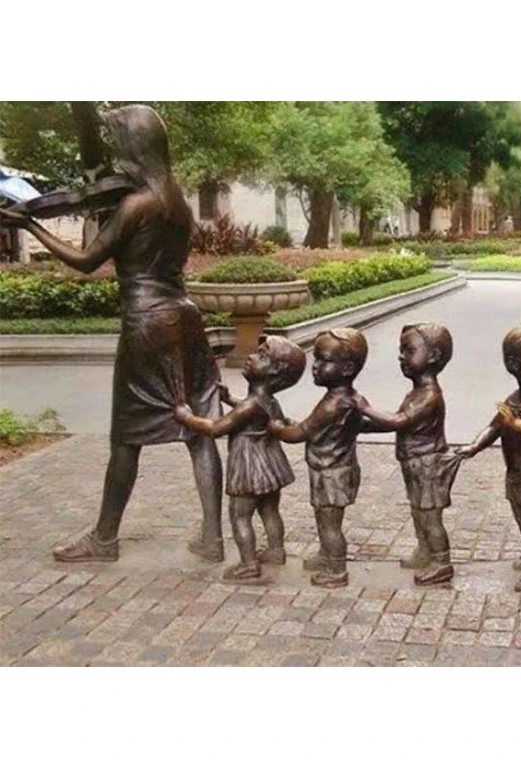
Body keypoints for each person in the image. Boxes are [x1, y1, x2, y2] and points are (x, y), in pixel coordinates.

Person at [1, 105, 225, 564]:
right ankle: (214, 537)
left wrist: (31, 224)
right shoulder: (176, 201)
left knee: (126, 438)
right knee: (199, 431)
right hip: (185, 318)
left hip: (146, 323)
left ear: (132, 147)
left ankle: (104, 539)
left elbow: (85, 261)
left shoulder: (135, 203)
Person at [174, 336, 306, 580]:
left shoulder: (251, 405)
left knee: (240, 514)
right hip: (271, 463)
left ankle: (248, 564)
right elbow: (247, 409)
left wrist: (187, 417)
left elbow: (216, 428)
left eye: (262, 355)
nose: (252, 357)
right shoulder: (267, 400)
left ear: (275, 371)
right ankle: (276, 551)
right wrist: (228, 398)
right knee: (269, 509)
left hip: (249, 464)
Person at [458, 325, 521, 592]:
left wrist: (514, 422)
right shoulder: (512, 400)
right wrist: (473, 446)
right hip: (517, 473)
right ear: (514, 364)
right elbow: (494, 428)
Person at [356, 323, 462, 586]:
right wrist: (360, 427)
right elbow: (395, 423)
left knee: (430, 515)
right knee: (418, 511)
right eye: (401, 351)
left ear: (434, 357)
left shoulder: (429, 396)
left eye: (409, 350)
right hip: (414, 462)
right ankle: (424, 549)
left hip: (428, 463)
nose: (401, 357)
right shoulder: (416, 392)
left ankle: (441, 561)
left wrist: (365, 408)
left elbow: (398, 421)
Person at [269, 328, 368, 588]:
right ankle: (326, 554)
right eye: (316, 359)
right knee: (324, 518)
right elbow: (322, 428)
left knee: (330, 524)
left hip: (331, 473)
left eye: (323, 360)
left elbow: (299, 434)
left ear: (346, 368)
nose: (315, 366)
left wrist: (277, 428)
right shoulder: (348, 398)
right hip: (333, 469)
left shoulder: (332, 404)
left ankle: (336, 569)